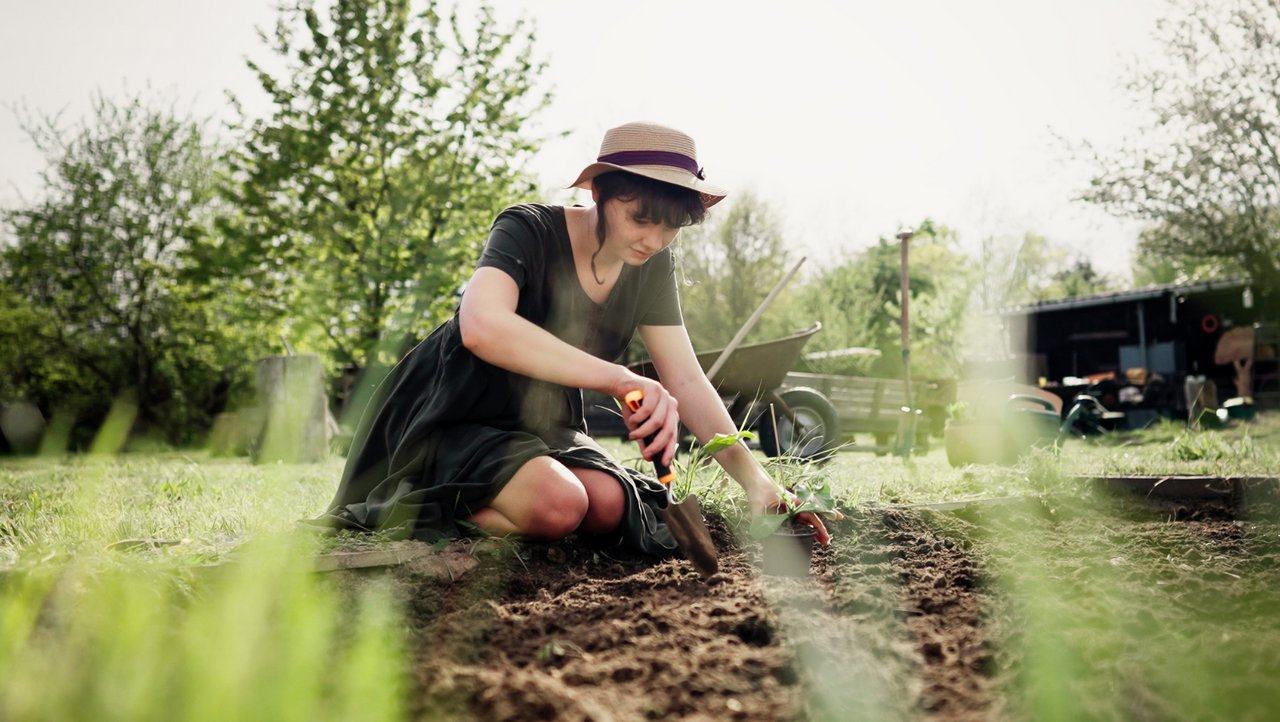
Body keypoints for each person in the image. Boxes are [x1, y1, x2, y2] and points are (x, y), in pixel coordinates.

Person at [320, 121, 830, 556]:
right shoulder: (527, 229)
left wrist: (756, 479)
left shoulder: (650, 266)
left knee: (608, 504)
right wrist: (618, 378)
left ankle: (506, 515)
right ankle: (420, 511)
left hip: (542, 420)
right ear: (598, 192)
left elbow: (687, 379)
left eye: (671, 226)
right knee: (560, 504)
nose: (653, 240)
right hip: (456, 410)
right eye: (641, 218)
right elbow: (482, 327)